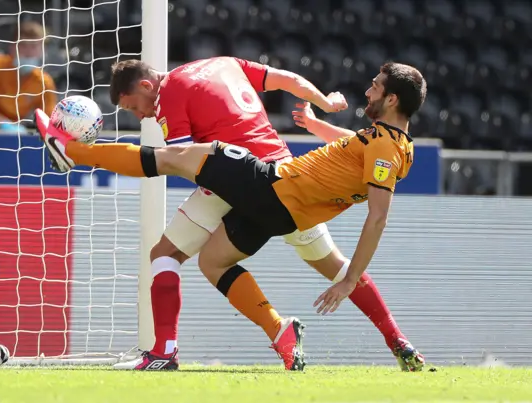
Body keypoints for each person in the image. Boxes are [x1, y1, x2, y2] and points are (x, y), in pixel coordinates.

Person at [38, 60, 426, 372]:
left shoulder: (381, 149)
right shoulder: (393, 148)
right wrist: (319, 117)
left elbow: (377, 217)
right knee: (215, 261)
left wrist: (350, 281)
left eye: (376, 85)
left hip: (267, 183)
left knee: (171, 179)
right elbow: (348, 146)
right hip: (287, 205)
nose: (368, 89)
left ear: (391, 99)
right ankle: (383, 340)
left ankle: (75, 152)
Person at [0, 21, 57, 133]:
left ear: (43, 51)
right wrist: (2, 124)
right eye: (23, 45)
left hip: (11, 137)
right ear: (12, 47)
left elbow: (49, 120)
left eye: (34, 46)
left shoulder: (44, 82)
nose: (28, 52)